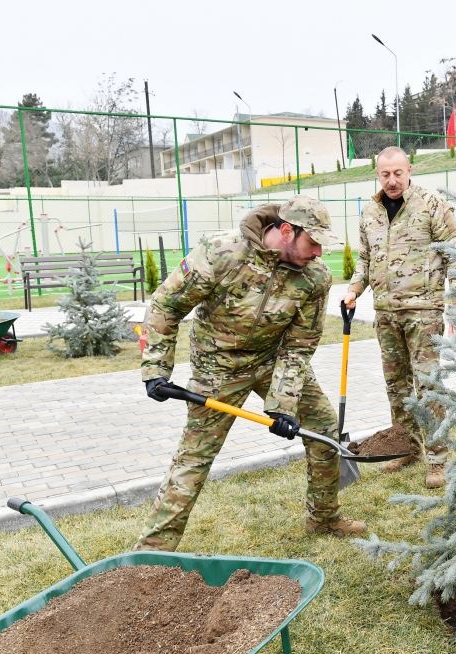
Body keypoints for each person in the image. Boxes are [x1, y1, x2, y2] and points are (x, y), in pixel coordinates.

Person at [135, 196, 366, 551]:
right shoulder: (222, 252)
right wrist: (155, 367)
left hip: (274, 359)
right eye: (313, 242)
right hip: (218, 367)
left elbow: (299, 345)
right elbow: (167, 303)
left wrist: (282, 404)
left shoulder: (315, 277)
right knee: (194, 457)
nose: (319, 252)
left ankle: (324, 517)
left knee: (322, 427)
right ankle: (152, 552)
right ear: (287, 231)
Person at [342, 146, 456, 489]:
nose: (392, 180)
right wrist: (354, 290)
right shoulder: (369, 211)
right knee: (396, 387)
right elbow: (365, 260)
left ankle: (437, 459)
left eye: (398, 173)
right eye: (385, 174)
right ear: (377, 174)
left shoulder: (430, 204)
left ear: (409, 170)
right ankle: (405, 447)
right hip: (385, 313)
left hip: (423, 311)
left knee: (428, 386)